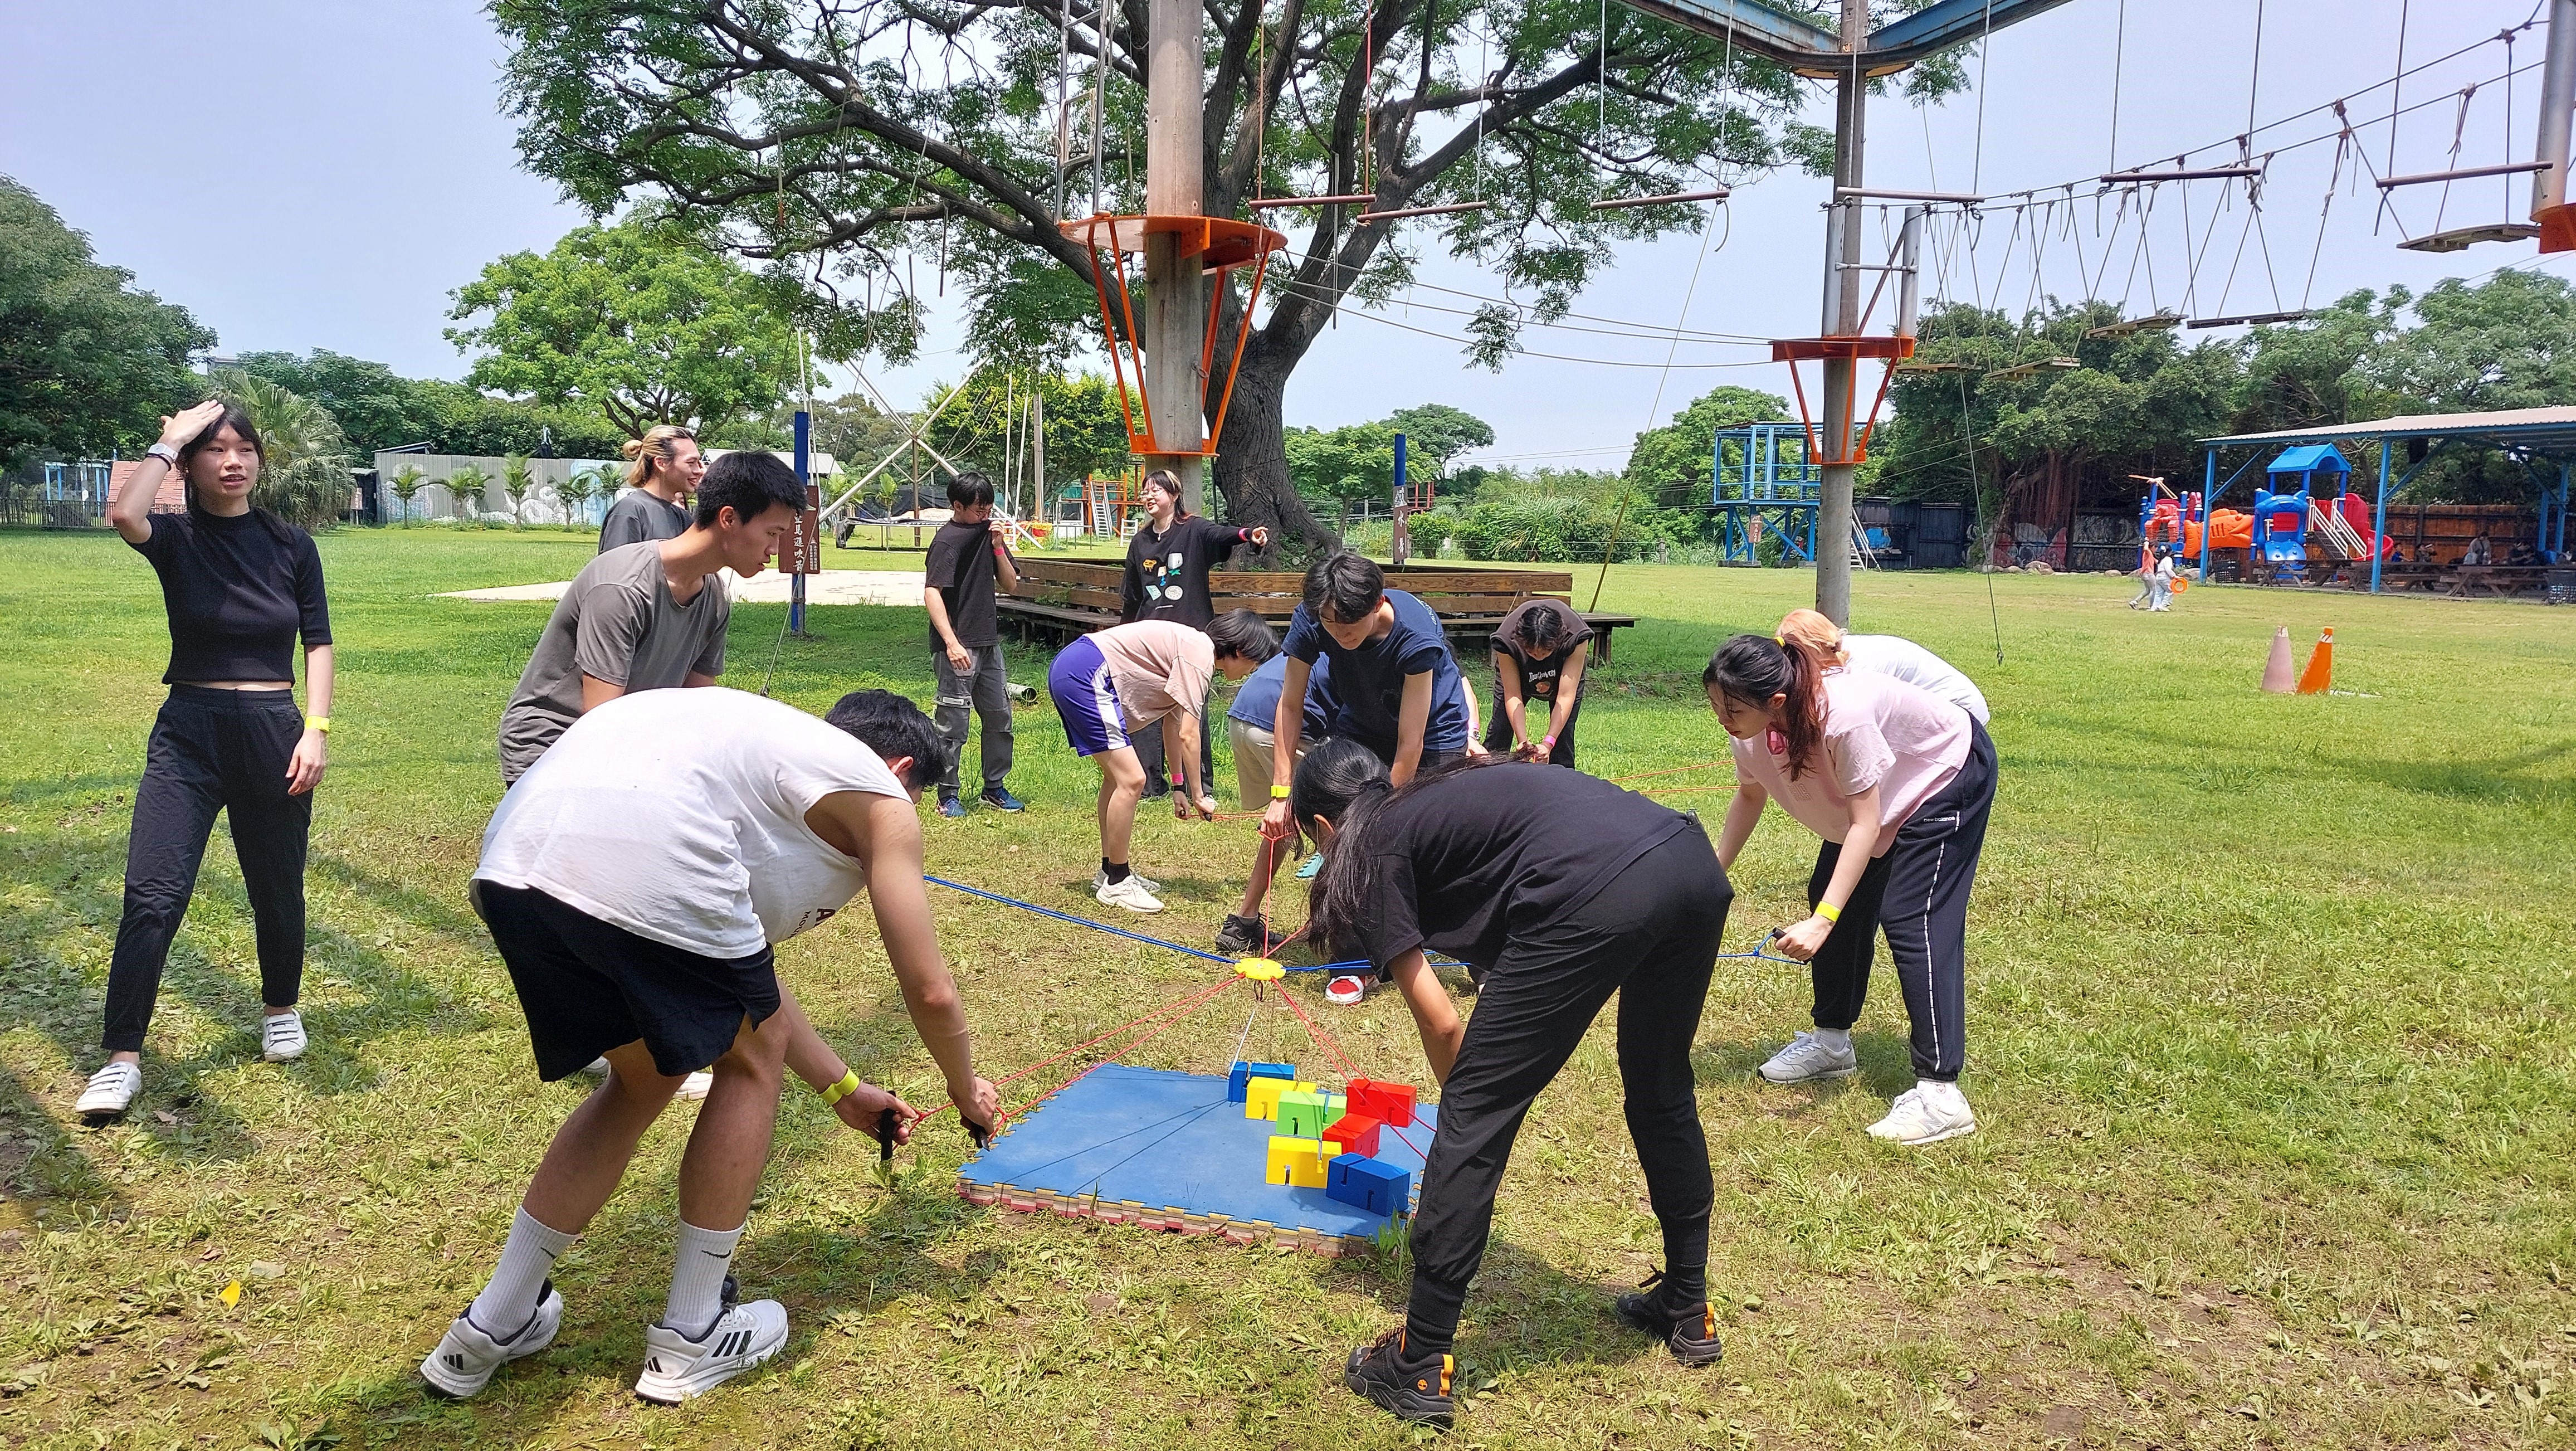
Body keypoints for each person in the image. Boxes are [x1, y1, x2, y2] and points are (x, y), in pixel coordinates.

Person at [423, 686, 1001, 1404]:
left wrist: (844, 1091)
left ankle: (491, 1324)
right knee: (748, 1067)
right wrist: (963, 1088)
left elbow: (747, 981)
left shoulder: (754, 761)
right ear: (901, 766)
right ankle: (692, 1335)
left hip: (516, 859)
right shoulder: (881, 796)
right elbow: (931, 989)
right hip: (641, 856)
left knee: (642, 1080)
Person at [1288, 742, 1734, 1428]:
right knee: (1661, 1087)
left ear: (1322, 828)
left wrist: (1471, 1112)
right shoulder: (1429, 800)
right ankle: (1686, 1302)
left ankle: (1419, 1361)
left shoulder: (1372, 844)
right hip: (1687, 860)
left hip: (1595, 886)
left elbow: (1441, 1024)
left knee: (1473, 1110)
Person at [77, 400, 335, 1118]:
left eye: (244, 449)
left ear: (258, 461)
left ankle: (280, 1006)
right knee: (153, 894)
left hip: (273, 730)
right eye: (215, 450)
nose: (232, 461)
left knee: (276, 886)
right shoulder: (176, 537)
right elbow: (124, 515)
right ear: (191, 465)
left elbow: (318, 640)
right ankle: (121, 1057)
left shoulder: (291, 544)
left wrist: (315, 728)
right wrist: (167, 439)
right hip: (188, 732)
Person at [1705, 633, 1997, 1147]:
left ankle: (1941, 1095)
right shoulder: (1751, 730)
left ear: (1775, 702)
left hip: (1943, 773)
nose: (1722, 717)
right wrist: (1710, 874)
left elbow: (1865, 823)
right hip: (1883, 793)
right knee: (1831, 890)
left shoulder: (1841, 717)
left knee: (1914, 916)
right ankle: (1833, 1043)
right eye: (1714, 703)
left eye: (1732, 707)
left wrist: (1823, 920)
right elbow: (1750, 795)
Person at [499, 450, 808, 788]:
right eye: (772, 534)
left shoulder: (714, 596)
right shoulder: (622, 587)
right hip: (555, 743)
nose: (776, 550)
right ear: (729, 519)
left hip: (632, 740)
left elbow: (695, 709)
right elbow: (601, 724)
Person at [1258, 553, 1479, 1003]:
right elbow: (1290, 704)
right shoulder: (1317, 611)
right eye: (1329, 624)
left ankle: (1480, 956)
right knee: (1341, 843)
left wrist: (1381, 812)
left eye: (1348, 625)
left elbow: (1411, 743)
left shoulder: (1415, 637)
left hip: (1432, 732)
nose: (1338, 633)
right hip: (1360, 723)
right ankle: (1355, 961)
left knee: (1437, 843)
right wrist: (1282, 791)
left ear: (1378, 603)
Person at [1046, 610, 1276, 913]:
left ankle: (1109, 871)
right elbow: (1189, 736)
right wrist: (1200, 795)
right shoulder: (1199, 656)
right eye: (1255, 663)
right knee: (1133, 780)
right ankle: (1117, 881)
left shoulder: (1192, 649)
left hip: (1075, 669)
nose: (1252, 671)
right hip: (1086, 675)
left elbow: (1172, 723)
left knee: (1118, 780)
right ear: (1239, 651)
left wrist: (1178, 787)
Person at [1119, 468, 1271, 800]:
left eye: (1157, 489)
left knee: (1190, 712)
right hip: (1150, 640)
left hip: (1190, 637)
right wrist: (1125, 636)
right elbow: (1132, 596)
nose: (1149, 495)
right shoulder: (1140, 541)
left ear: (1174, 495)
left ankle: (1197, 783)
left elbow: (1222, 535)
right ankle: (1150, 784)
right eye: (1145, 490)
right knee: (1148, 707)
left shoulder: (1194, 530)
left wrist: (1249, 535)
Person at [1213, 653, 1338, 955]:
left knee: (1283, 820)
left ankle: (1244, 922)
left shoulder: (1311, 642)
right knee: (1332, 826)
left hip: (1241, 719)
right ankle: (1339, 924)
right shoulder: (1356, 654)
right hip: (1275, 724)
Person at [921, 471, 1024, 819]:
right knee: (953, 724)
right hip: (958, 646)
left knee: (999, 718)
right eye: (978, 510)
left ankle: (994, 788)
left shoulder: (989, 534)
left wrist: (998, 545)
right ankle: (947, 794)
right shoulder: (947, 541)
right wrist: (951, 643)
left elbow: (1011, 584)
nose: (985, 515)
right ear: (957, 506)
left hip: (988, 643)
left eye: (988, 508)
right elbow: (932, 592)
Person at [1775, 609, 1990, 724]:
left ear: (1815, 647)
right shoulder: (1842, 654)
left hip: (1960, 711)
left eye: (1797, 656)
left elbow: (1854, 723)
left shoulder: (1861, 667)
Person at [1484, 596, 1590, 768]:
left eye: (1544, 652)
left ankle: (1562, 785)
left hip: (1561, 674)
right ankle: (1488, 778)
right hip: (1519, 672)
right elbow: (1513, 694)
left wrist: (1549, 742)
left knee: (1563, 737)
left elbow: (1565, 695)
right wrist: (1523, 742)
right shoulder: (1506, 640)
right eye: (1532, 652)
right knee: (1500, 730)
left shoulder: (1576, 636)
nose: (1538, 656)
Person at [597, 425, 704, 551]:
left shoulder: (682, 517)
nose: (700, 471)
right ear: (661, 463)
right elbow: (615, 568)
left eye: (699, 463)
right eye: (691, 463)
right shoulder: (630, 511)